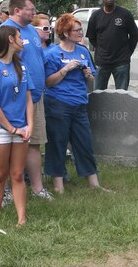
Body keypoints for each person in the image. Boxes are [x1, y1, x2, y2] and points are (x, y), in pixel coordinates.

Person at [0, 0, 54, 200]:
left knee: (34, 142)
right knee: (11, 145)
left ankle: (37, 189)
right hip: (16, 98)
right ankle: (7, 191)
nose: (34, 12)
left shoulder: (31, 30)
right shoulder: (4, 32)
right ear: (17, 10)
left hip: (35, 97)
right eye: (30, 9)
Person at [43, 14, 106, 192]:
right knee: (58, 143)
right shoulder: (52, 54)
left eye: (81, 29)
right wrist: (65, 69)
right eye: (76, 30)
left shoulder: (83, 51)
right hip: (58, 104)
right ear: (65, 32)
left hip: (79, 104)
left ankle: (94, 184)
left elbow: (92, 77)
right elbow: (48, 82)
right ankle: (58, 186)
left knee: (84, 143)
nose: (81, 33)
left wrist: (88, 75)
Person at [0, 26, 33, 226]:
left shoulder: (22, 66)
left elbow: (28, 98)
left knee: (18, 174)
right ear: (11, 39)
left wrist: (29, 125)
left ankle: (22, 219)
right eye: (20, 37)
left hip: (21, 128)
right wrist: (11, 128)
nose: (22, 40)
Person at [86, 0, 138, 90]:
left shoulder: (125, 14)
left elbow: (134, 35)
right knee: (98, 94)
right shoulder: (95, 16)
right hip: (102, 62)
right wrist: (101, 48)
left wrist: (128, 52)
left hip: (121, 61)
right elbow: (92, 37)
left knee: (122, 94)